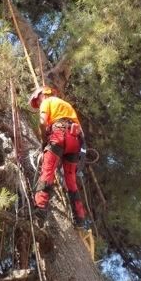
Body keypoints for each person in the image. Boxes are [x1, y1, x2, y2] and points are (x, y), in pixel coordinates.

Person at [28, 85, 87, 228]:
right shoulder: (66, 105)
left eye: (38, 101)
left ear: (42, 95)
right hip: (76, 140)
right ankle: (80, 219)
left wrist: (44, 141)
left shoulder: (47, 102)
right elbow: (82, 134)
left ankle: (40, 208)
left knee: (47, 171)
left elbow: (42, 122)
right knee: (71, 181)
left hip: (59, 136)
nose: (39, 104)